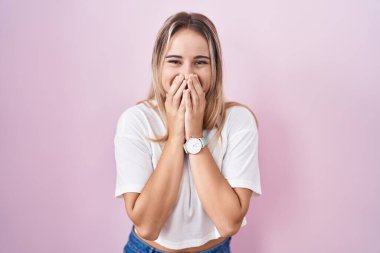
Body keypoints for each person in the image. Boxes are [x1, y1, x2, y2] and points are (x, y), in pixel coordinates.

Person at [114, 11, 262, 253]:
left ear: (215, 69)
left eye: (200, 62)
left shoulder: (238, 121)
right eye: (174, 61)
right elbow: (148, 226)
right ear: (158, 66)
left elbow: (228, 222)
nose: (187, 74)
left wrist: (194, 136)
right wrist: (175, 137)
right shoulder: (135, 121)